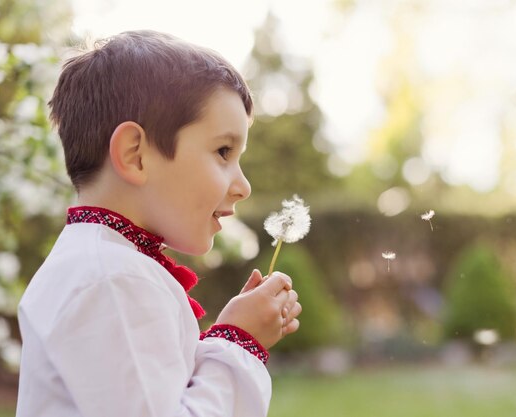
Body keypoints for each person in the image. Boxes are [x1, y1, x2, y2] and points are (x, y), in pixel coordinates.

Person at [16, 30, 302, 417]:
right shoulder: (113, 279)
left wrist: (227, 333)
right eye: (223, 151)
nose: (244, 186)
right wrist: (239, 340)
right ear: (135, 155)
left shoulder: (102, 264)